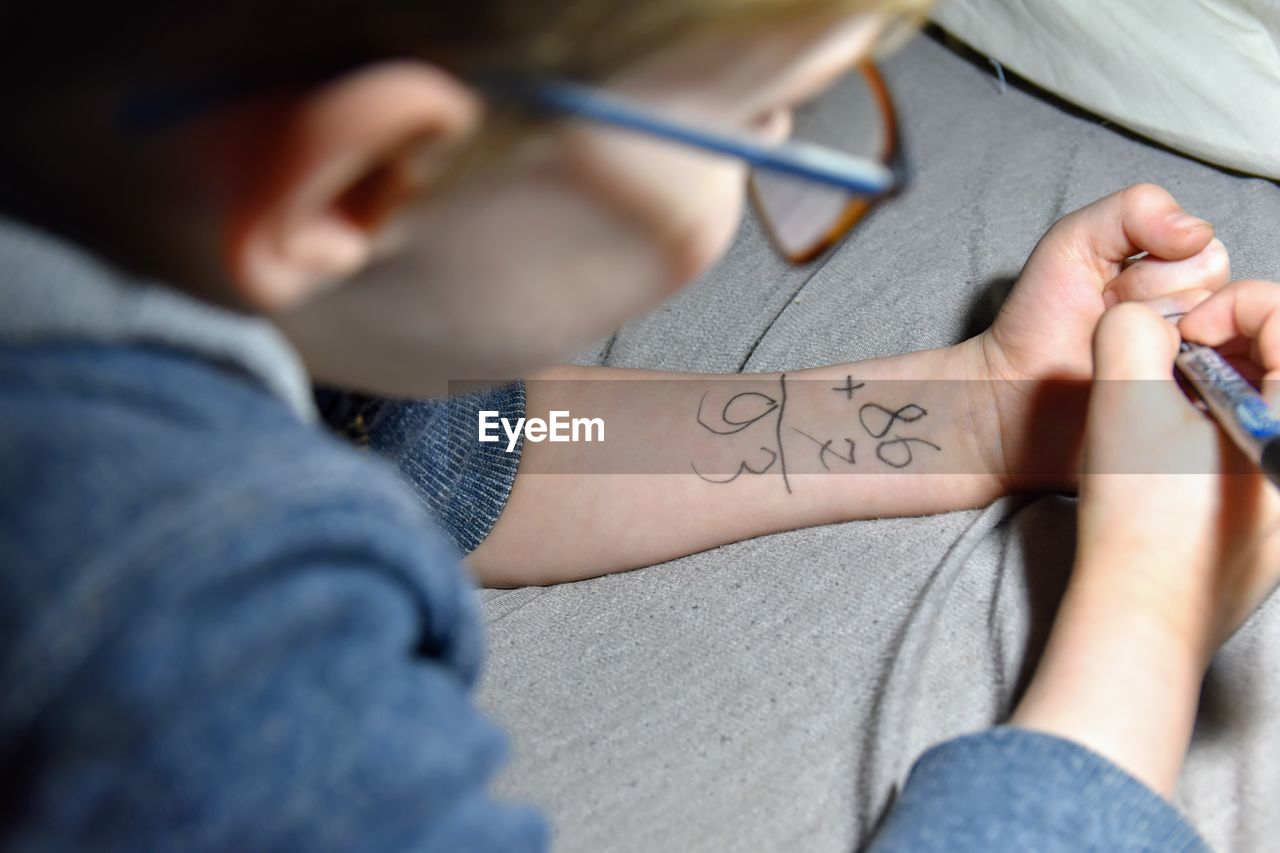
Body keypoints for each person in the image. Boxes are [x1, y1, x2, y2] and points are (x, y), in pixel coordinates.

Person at [0, 0, 1276, 849]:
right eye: (761, 124)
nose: (774, 175)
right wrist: (1150, 608)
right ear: (366, 182)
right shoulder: (169, 612)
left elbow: (460, 452)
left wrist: (968, 418)